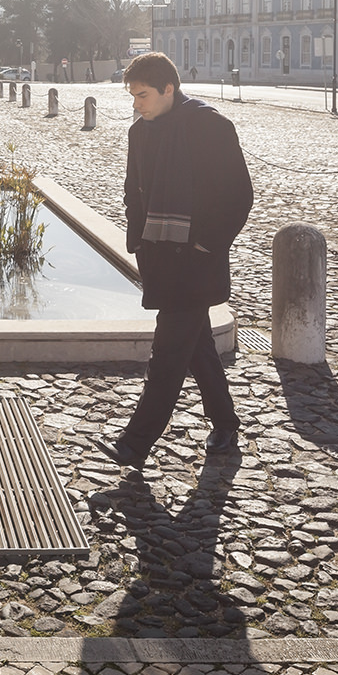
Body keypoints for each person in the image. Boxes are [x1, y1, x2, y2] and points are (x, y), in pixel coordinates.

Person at [103, 51, 253, 469]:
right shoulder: (140, 132)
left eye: (144, 95)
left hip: (197, 261)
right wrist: (137, 238)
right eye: (133, 96)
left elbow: (239, 195)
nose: (137, 104)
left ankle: (133, 444)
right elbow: (133, 190)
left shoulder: (210, 126)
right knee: (197, 345)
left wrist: (207, 243)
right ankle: (225, 423)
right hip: (159, 257)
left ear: (170, 89)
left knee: (168, 352)